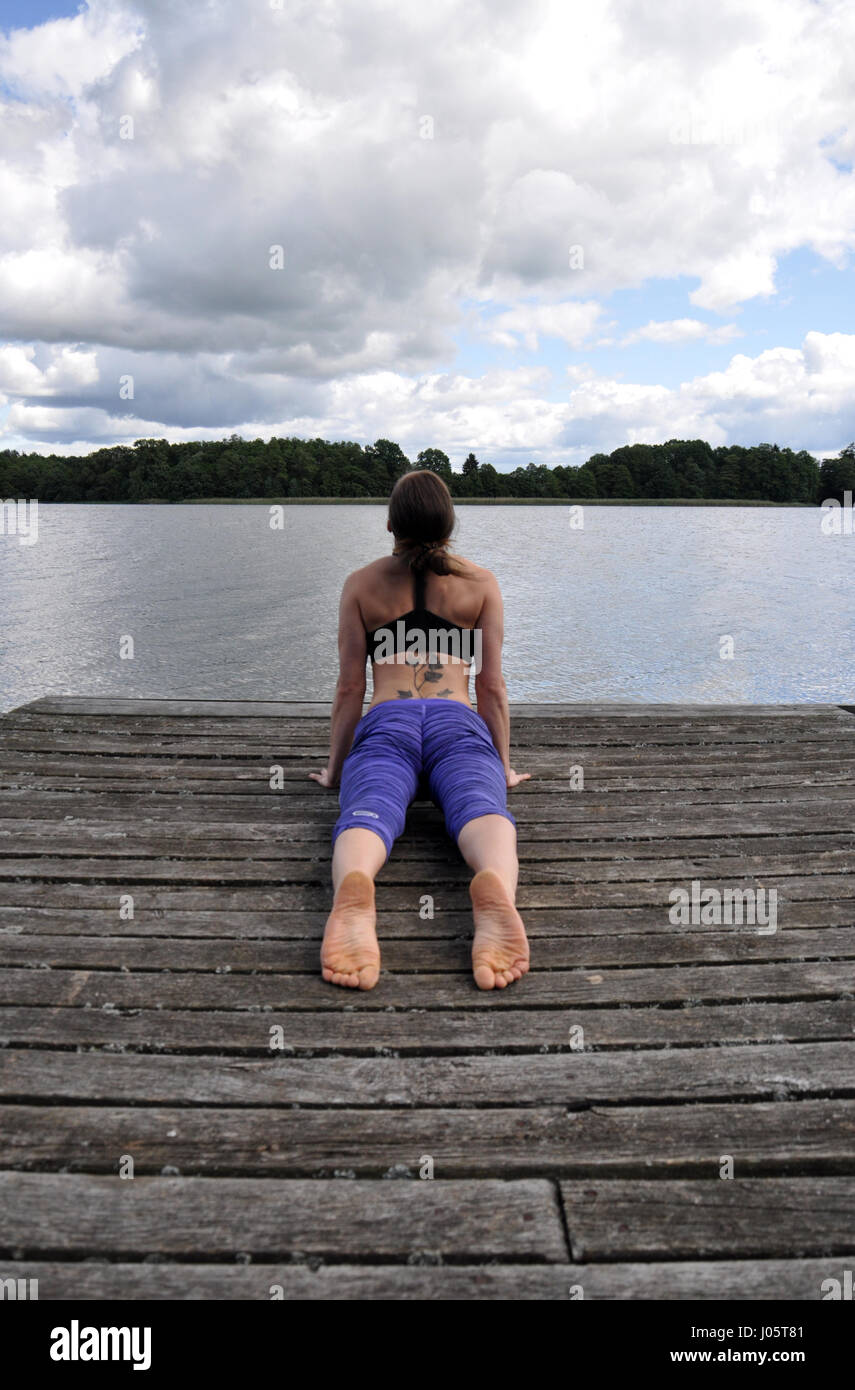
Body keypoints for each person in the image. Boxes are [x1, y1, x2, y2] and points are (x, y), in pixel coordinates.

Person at [309, 469, 530, 991]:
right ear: (451, 523)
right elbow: (492, 688)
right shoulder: (480, 584)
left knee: (371, 807)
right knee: (482, 806)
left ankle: (357, 885)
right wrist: (502, 767)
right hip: (456, 720)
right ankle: (493, 882)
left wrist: (336, 770)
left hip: (389, 721)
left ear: (390, 523)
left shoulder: (362, 585)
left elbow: (348, 691)